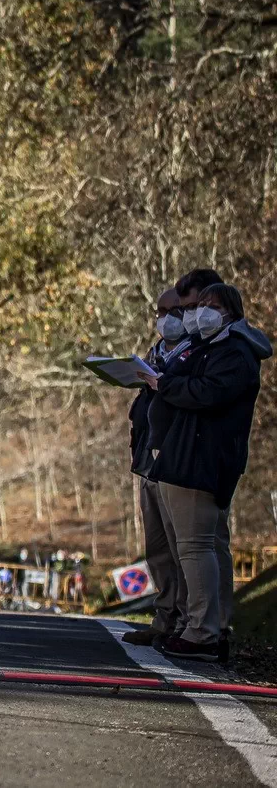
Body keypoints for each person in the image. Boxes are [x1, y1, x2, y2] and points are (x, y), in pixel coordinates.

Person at [143, 282, 271, 661]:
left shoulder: (234, 354)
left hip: (202, 461)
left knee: (198, 547)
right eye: (198, 306)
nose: (200, 313)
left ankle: (203, 632)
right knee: (188, 547)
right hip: (182, 458)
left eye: (209, 306)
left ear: (230, 311)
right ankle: (195, 625)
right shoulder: (207, 349)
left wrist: (166, 383)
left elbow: (205, 393)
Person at [122, 287, 192, 647]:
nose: (164, 318)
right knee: (158, 546)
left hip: (175, 458)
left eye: (173, 311)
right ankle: (164, 616)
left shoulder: (194, 353)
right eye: (159, 311)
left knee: (184, 546)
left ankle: (185, 620)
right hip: (148, 457)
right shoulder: (157, 351)